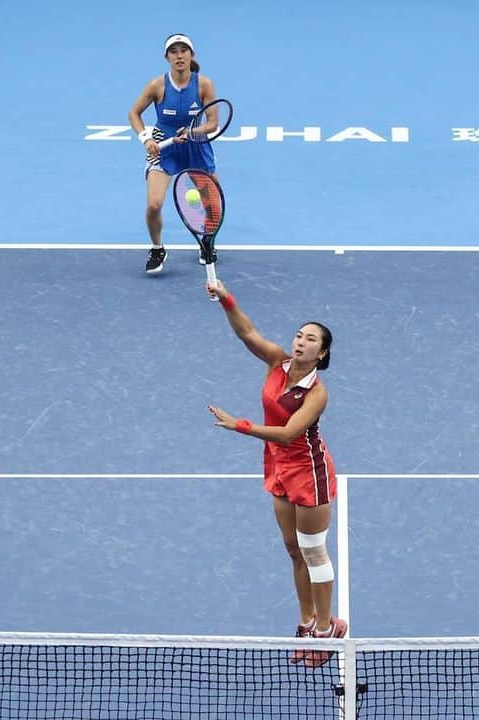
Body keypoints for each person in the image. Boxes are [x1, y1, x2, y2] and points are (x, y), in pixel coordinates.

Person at [205, 279, 348, 668]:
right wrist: (226, 299)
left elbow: (288, 433)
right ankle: (305, 622)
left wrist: (241, 426)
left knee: (315, 552)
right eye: (299, 336)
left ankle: (326, 629)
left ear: (323, 352)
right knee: (293, 550)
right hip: (279, 467)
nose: (301, 342)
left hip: (309, 471)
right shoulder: (277, 362)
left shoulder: (317, 393)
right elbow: (246, 332)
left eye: (311, 339)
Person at [127, 33, 219, 275]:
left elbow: (212, 124)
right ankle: (157, 248)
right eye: (174, 52)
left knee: (212, 204)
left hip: (195, 145)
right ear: (167, 57)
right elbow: (134, 114)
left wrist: (191, 131)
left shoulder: (204, 85)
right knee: (154, 205)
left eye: (184, 51)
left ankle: (207, 240)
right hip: (164, 145)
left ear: (191, 55)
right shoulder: (157, 85)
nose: (179, 56)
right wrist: (146, 138)